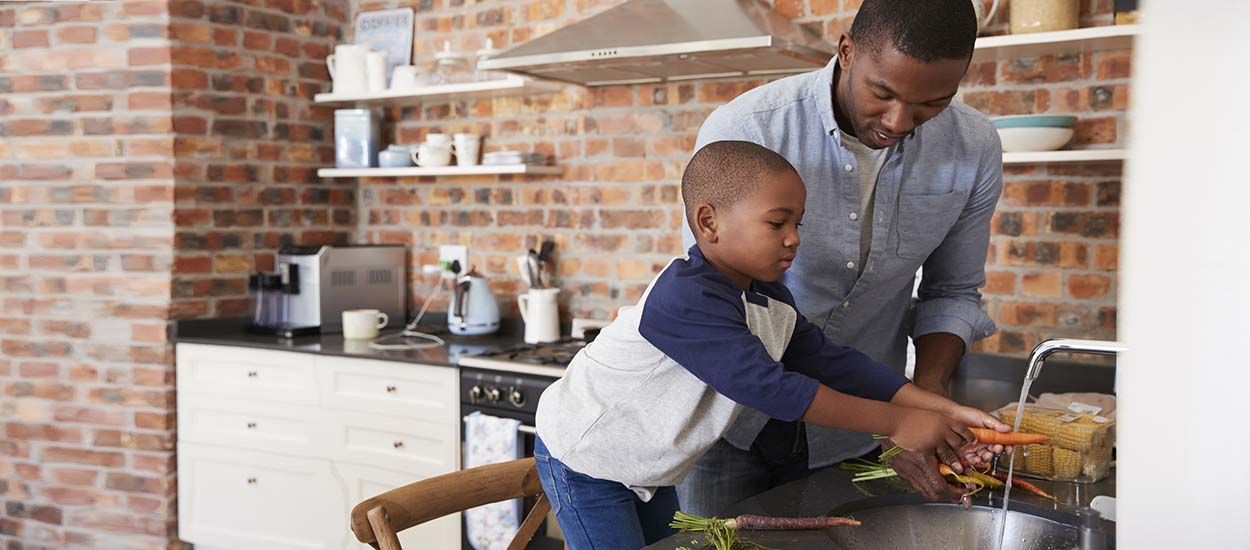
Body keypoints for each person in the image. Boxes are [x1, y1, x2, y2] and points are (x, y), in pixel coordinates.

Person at [533, 140, 1008, 549]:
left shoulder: (765, 296)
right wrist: (901, 421)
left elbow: (827, 361)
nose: (794, 239)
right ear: (708, 223)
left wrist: (939, 409)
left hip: (647, 468)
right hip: (587, 461)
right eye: (777, 223)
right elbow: (770, 389)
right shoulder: (686, 297)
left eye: (798, 224)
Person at [679, 0, 1005, 512]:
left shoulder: (974, 146)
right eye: (883, 93)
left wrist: (926, 404)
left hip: (860, 438)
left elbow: (951, 292)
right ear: (847, 51)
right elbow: (721, 303)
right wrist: (900, 416)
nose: (899, 121)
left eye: (932, 104)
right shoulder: (750, 128)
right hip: (728, 426)